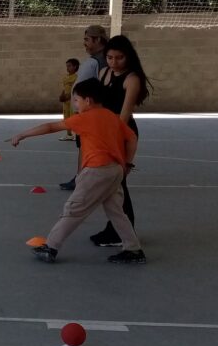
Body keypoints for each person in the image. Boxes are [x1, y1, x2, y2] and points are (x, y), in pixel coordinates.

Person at [9, 77, 145, 265]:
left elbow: (50, 127)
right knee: (116, 211)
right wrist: (127, 164)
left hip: (96, 171)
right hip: (115, 171)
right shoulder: (112, 116)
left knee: (73, 209)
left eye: (76, 100)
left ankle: (50, 247)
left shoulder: (84, 118)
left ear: (88, 100)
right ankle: (133, 249)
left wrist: (22, 134)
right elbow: (132, 138)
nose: (74, 105)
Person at [88, 34, 153, 247]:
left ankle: (124, 231)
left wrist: (109, 137)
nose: (114, 62)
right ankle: (114, 227)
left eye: (119, 58)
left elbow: (123, 116)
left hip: (121, 132)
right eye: (110, 58)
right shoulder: (104, 72)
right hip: (104, 130)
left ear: (128, 57)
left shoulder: (132, 79)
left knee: (118, 182)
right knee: (111, 184)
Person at [60, 25, 108, 190]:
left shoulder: (99, 61)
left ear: (98, 39)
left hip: (90, 112)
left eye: (87, 40)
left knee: (88, 146)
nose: (84, 43)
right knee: (84, 145)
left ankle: (84, 178)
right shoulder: (97, 60)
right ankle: (81, 176)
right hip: (86, 111)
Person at [59, 58, 80, 139]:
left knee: (73, 117)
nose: (67, 68)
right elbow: (64, 88)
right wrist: (62, 95)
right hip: (66, 102)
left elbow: (76, 89)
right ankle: (69, 134)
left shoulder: (77, 77)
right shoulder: (65, 77)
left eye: (69, 66)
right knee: (66, 117)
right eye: (67, 66)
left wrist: (70, 96)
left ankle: (75, 134)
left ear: (75, 66)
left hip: (72, 101)